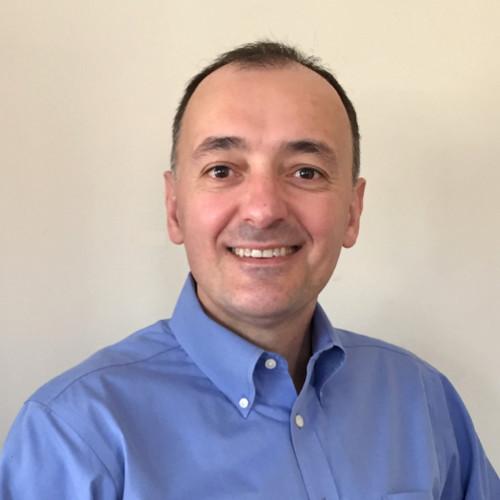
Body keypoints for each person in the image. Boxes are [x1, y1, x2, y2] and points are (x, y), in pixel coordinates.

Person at [0, 41, 498, 500]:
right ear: (174, 208)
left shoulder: (422, 400)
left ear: (352, 211)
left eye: (306, 172)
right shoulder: (72, 435)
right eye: (222, 170)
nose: (263, 211)